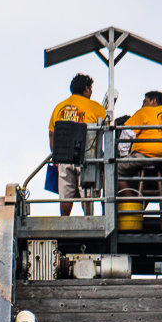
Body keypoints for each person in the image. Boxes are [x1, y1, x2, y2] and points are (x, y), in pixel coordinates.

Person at [48, 74, 105, 216]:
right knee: (87, 195)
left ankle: (64, 223)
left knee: (65, 195)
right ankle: (89, 222)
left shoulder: (59, 107)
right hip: (87, 158)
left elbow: (52, 134)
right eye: (90, 88)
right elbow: (107, 132)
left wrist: (56, 156)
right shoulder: (96, 108)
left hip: (64, 157)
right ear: (86, 89)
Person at [118, 92, 162, 195]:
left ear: (153, 101)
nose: (143, 105)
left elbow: (127, 133)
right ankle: (140, 203)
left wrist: (124, 156)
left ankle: (131, 205)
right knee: (145, 180)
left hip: (145, 156)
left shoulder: (144, 111)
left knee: (114, 170)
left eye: (145, 101)